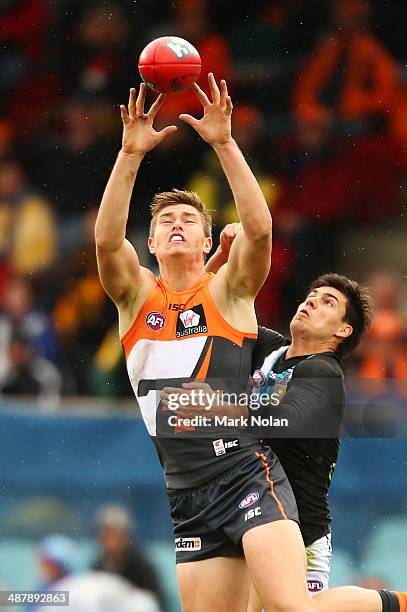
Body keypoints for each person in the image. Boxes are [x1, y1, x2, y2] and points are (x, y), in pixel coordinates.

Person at [167, 224, 406, 611]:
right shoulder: (270, 349)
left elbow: (284, 419)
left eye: (327, 302)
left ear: (343, 330)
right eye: (312, 295)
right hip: (255, 512)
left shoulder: (324, 371)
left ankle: (395, 603)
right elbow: (212, 314)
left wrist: (219, 407)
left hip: (301, 528)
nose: (311, 302)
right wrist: (220, 261)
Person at [93, 504, 166, 610]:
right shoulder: (98, 565)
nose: (110, 541)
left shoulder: (141, 567)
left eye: (115, 535)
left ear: (125, 536)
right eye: (106, 535)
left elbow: (157, 602)